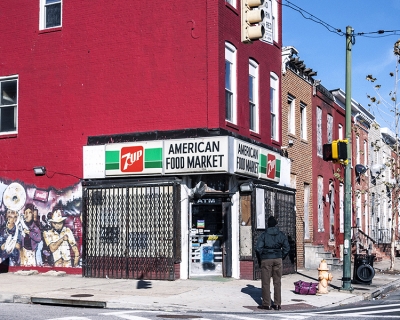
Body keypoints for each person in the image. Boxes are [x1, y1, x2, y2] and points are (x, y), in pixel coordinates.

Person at [255, 215, 290, 311]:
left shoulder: (264, 235)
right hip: (278, 258)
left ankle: (267, 304)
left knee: (266, 282)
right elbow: (287, 247)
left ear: (268, 224)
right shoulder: (281, 234)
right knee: (277, 282)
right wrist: (281, 256)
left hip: (266, 259)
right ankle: (277, 304)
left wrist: (262, 257)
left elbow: (258, 248)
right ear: (276, 224)